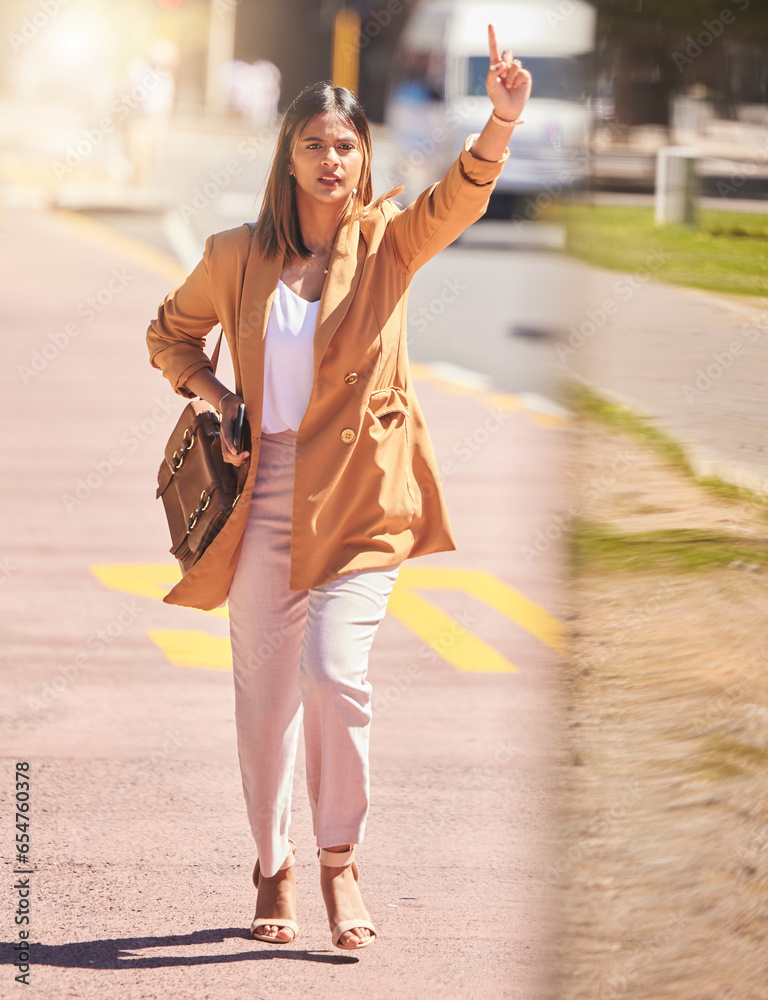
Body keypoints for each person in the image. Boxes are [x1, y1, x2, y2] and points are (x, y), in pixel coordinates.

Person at [146, 24, 531, 952]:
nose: (331, 159)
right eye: (314, 144)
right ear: (287, 158)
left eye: (346, 145)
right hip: (260, 498)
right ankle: (269, 859)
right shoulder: (237, 254)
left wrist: (501, 122)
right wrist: (218, 395)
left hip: (359, 500)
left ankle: (338, 859)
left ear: (364, 161)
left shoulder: (391, 247)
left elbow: (458, 199)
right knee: (263, 697)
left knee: (332, 672)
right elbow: (170, 336)